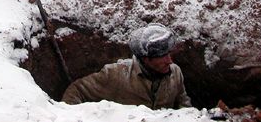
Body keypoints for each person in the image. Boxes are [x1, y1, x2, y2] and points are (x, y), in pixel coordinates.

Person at [62, 23, 192, 109]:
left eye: (169, 54)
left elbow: (184, 106)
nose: (170, 61)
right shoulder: (116, 75)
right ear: (146, 59)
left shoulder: (175, 72)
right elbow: (77, 90)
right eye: (163, 57)